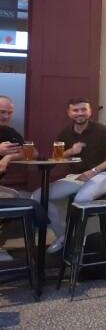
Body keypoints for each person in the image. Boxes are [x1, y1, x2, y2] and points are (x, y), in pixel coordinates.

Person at [32, 99, 106, 254]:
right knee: (39, 196)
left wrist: (93, 171)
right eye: (76, 110)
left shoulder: (101, 130)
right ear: (69, 112)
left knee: (80, 200)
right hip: (75, 177)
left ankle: (73, 242)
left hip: (100, 175)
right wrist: (71, 151)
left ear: (90, 111)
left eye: (83, 109)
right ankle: (64, 237)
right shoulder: (66, 132)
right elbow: (56, 157)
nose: (80, 113)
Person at [0, 96, 49, 262]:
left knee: (15, 196)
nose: (6, 116)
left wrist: (8, 158)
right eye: (2, 112)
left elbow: (32, 152)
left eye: (9, 112)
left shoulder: (8, 132)